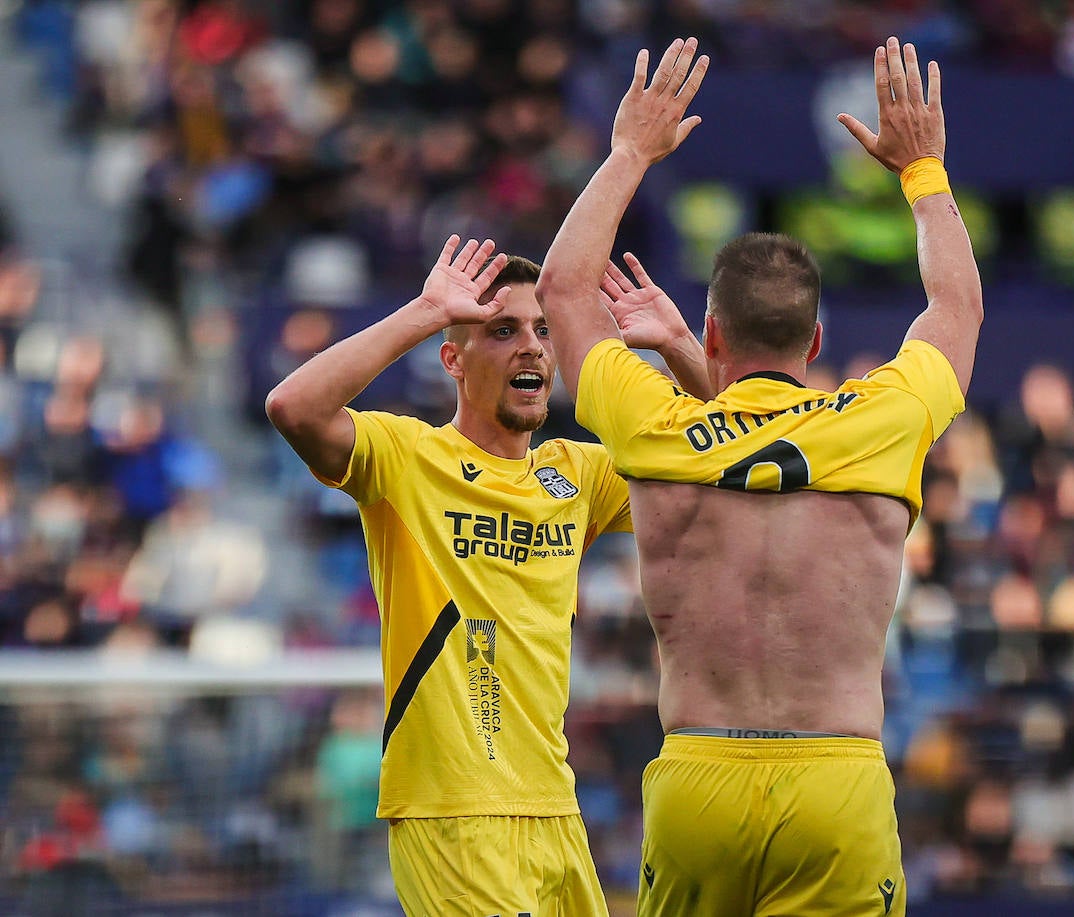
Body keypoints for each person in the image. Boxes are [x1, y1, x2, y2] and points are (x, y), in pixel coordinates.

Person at [535, 36, 982, 916]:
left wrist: (629, 152)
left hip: (698, 770)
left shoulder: (656, 423)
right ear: (815, 344)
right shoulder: (881, 421)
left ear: (708, 337)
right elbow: (956, 305)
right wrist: (923, 171)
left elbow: (563, 290)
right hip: (835, 775)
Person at [264, 237, 706, 915]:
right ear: (454, 359)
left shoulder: (577, 474)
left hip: (555, 807)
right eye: (502, 330)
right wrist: (424, 310)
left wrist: (678, 346)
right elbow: (293, 407)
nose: (531, 346)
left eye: (543, 330)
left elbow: (733, 457)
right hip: (452, 813)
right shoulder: (407, 458)